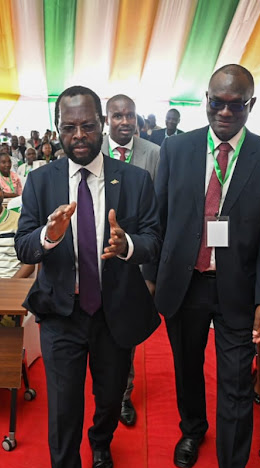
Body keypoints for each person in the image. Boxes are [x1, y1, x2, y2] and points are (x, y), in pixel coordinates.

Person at [145, 64, 260, 468]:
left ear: (251, 105)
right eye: (216, 102)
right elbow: (159, 219)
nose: (224, 112)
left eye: (235, 104)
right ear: (205, 99)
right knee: (187, 368)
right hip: (184, 284)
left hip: (238, 290)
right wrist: (152, 278)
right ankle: (192, 430)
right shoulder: (177, 149)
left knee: (236, 384)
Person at [14, 85, 161, 468]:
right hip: (62, 314)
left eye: (87, 126)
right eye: (68, 127)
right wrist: (48, 234)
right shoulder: (41, 181)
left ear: (103, 125)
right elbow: (23, 245)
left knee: (110, 398)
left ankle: (101, 442)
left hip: (114, 313)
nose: (78, 135)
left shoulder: (133, 179)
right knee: (62, 413)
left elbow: (154, 240)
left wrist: (126, 245)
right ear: (57, 130)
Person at [100, 93, 161, 426]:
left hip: (136, 261)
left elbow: (159, 217)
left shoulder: (154, 154)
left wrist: (150, 271)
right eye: (117, 115)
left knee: (124, 331)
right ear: (107, 118)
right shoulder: (92, 152)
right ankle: (101, 393)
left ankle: (122, 396)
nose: (125, 121)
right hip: (95, 261)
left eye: (130, 116)